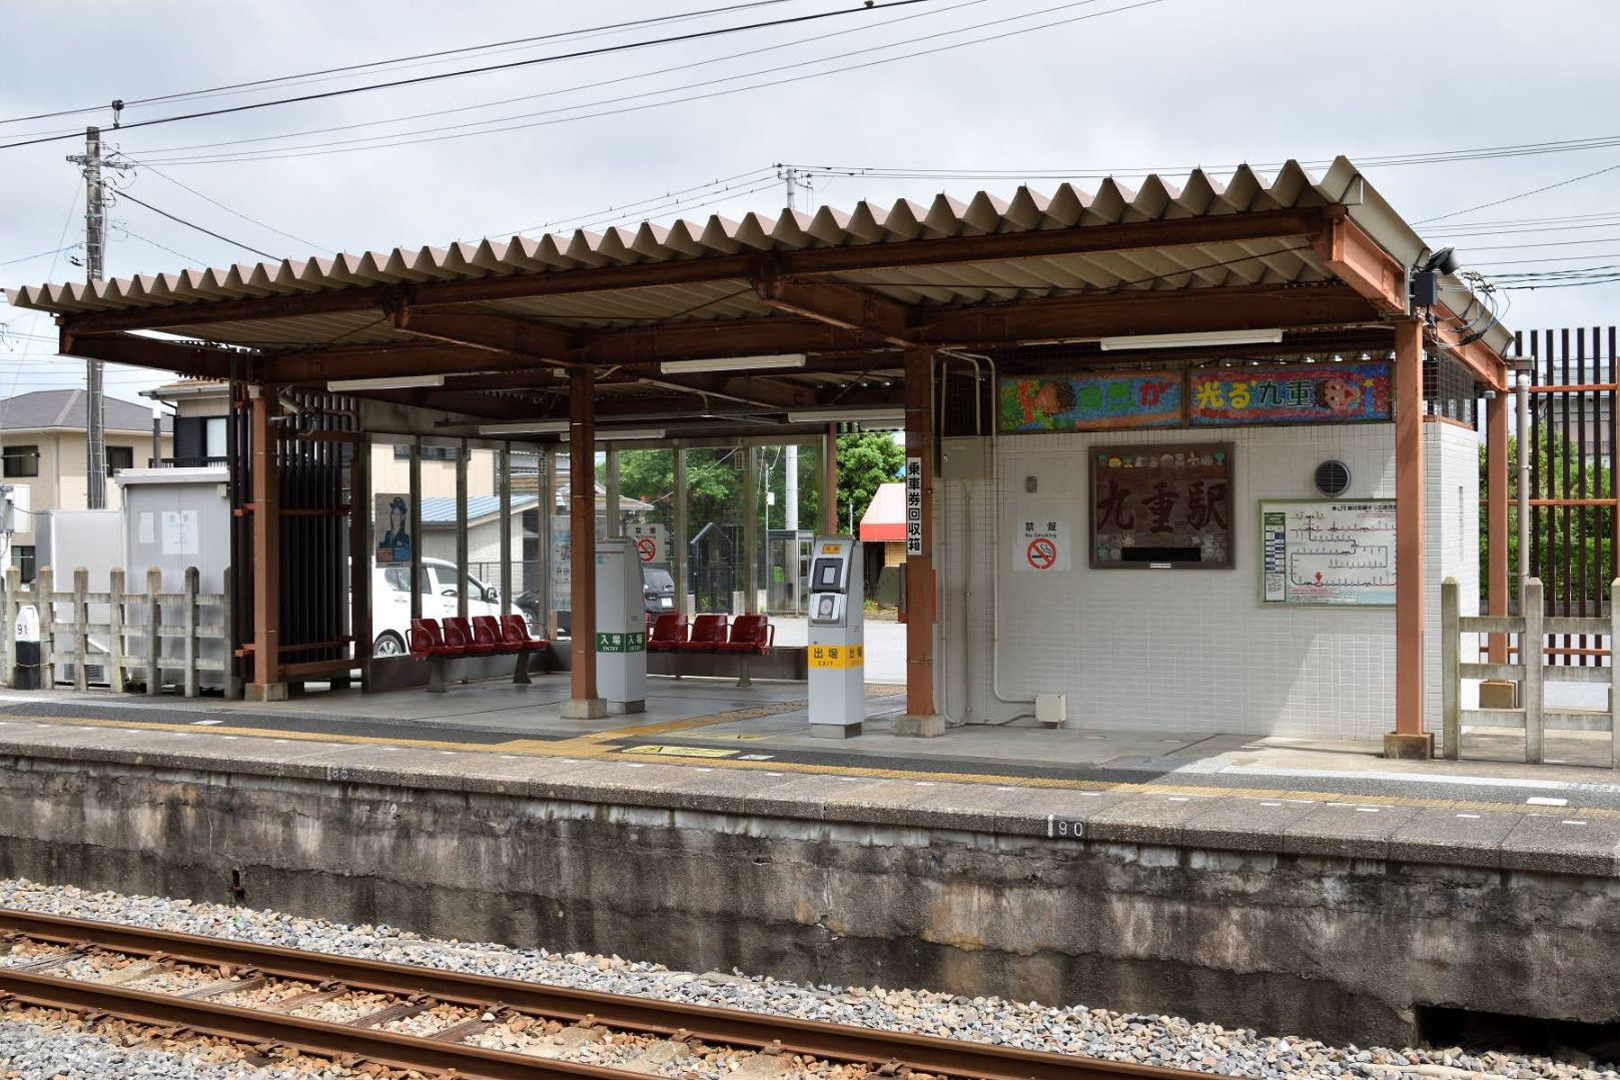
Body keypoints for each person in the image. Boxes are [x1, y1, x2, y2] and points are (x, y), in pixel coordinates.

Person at [378, 496, 411, 563]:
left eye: (397, 514)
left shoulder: (405, 537)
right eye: (393, 513)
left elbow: (404, 557)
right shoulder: (387, 535)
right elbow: (380, 556)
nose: (394, 517)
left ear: (403, 517)